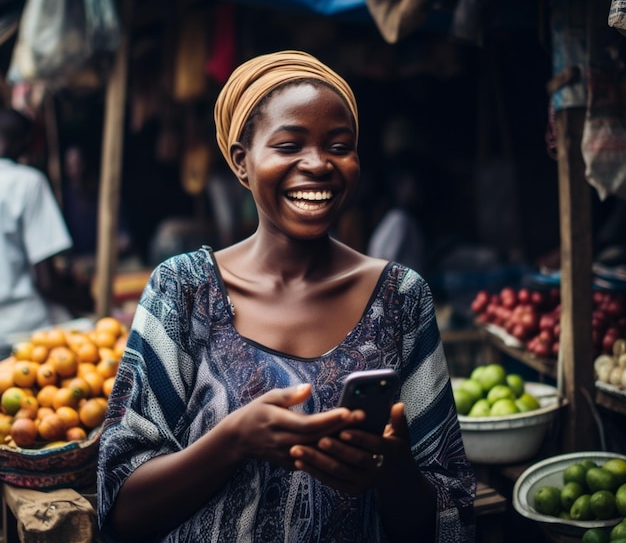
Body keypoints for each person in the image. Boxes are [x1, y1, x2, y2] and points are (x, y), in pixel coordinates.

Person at [97, 51, 476, 542]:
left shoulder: (401, 298)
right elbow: (119, 504)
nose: (318, 164)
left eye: (340, 146)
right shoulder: (184, 290)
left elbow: (452, 514)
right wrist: (234, 441)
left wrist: (391, 472)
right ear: (242, 161)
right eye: (289, 144)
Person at [0, 108, 74, 355]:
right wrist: (82, 301)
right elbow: (47, 280)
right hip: (23, 331)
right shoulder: (28, 182)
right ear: (23, 143)